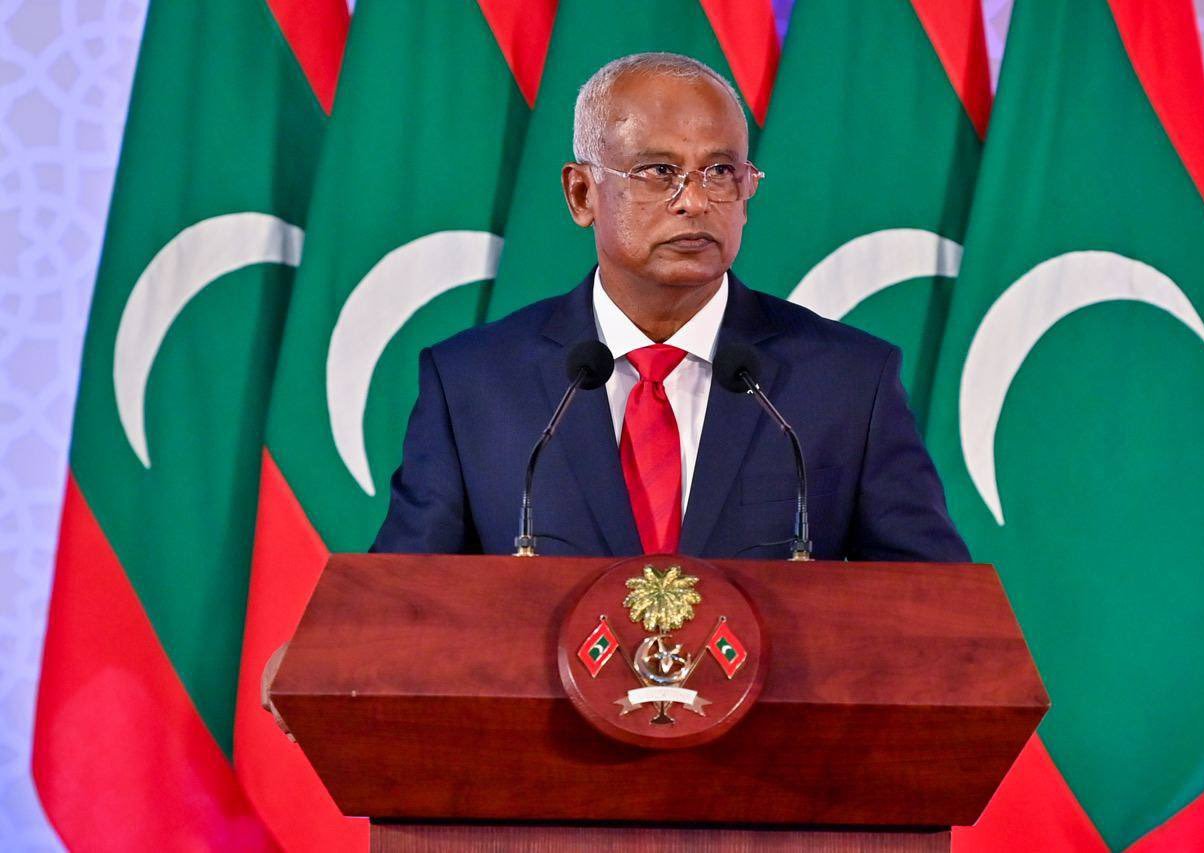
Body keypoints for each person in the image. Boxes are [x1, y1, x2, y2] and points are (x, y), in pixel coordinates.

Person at [371, 52, 968, 563]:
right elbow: (401, 610)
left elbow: (933, 611)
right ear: (581, 193)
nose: (695, 201)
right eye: (659, 172)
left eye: (721, 172)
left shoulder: (847, 382)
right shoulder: (473, 383)